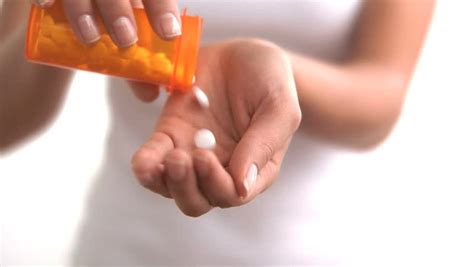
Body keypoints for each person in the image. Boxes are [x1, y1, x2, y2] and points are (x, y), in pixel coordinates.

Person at [0, 0, 435, 264]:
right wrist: (49, 18)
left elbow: (383, 94)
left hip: (316, 251)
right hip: (128, 251)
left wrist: (280, 76)